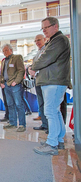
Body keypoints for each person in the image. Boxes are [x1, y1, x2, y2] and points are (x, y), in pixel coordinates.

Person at [31, 17, 71, 155]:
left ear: (55, 26)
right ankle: (58, 139)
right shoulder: (54, 41)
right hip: (52, 81)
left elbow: (46, 58)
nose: (44, 30)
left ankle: (52, 143)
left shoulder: (59, 40)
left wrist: (33, 67)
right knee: (55, 111)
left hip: (53, 81)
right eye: (42, 28)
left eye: (46, 27)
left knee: (50, 112)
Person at [0, 44, 26, 132]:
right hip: (6, 85)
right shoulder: (3, 61)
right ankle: (12, 123)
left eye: (6, 50)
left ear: (11, 50)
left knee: (19, 104)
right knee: (10, 105)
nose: (5, 52)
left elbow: (21, 70)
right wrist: (2, 82)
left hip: (15, 85)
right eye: (3, 51)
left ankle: (22, 124)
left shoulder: (17, 57)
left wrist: (16, 81)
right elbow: (2, 73)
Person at [29, 34, 48, 132]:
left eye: (39, 40)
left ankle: (50, 126)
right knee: (41, 103)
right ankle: (44, 124)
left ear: (44, 39)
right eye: (35, 41)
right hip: (37, 80)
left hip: (45, 80)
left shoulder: (47, 50)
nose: (37, 42)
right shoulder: (38, 52)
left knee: (47, 104)